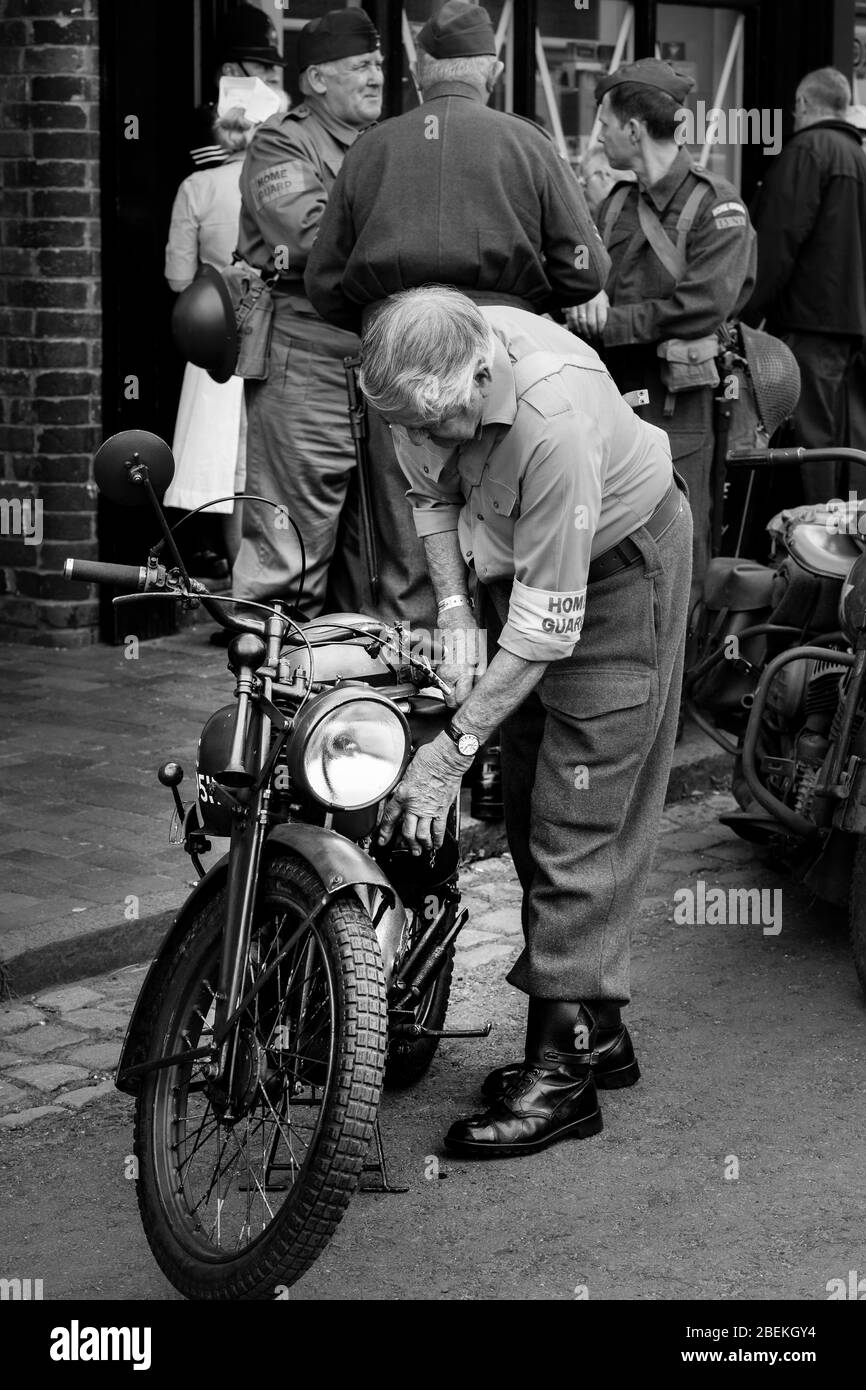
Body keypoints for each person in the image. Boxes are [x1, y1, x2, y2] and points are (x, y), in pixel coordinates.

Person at [359, 287, 692, 1158]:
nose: (429, 445)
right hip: (523, 567)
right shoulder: (418, 383)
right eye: (413, 429)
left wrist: (448, 754)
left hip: (622, 570)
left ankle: (561, 1080)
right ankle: (598, 1032)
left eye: (445, 427)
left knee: (578, 809)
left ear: (481, 372)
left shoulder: (554, 419)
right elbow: (427, 493)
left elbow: (549, 628)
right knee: (526, 805)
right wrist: (457, 608)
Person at [572, 58, 756, 612]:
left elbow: (702, 305)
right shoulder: (617, 202)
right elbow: (591, 274)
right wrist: (584, 294)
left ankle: (685, 690)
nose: (598, 134)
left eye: (604, 121)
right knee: (611, 538)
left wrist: (611, 321)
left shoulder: (717, 204)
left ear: (632, 129)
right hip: (613, 393)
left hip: (678, 403)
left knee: (680, 541)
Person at [230, 8, 383, 620]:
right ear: (317, 79)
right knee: (287, 553)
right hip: (306, 359)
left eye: (378, 63)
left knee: (371, 550)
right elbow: (313, 238)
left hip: (376, 360)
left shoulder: (384, 142)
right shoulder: (281, 141)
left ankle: (347, 709)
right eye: (360, 66)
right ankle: (268, 705)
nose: (376, 76)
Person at [744, 68, 866, 502]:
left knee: (809, 441)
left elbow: (776, 240)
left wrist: (744, 311)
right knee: (847, 440)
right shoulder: (859, 155)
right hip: (852, 327)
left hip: (808, 322)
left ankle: (811, 546)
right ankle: (846, 544)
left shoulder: (809, 151)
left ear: (803, 105)